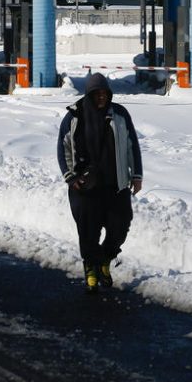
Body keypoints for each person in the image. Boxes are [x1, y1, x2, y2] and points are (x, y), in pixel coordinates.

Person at [57, 73, 143, 293]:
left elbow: (132, 144)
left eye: (105, 93)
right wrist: (70, 176)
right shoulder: (75, 116)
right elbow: (63, 147)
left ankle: (105, 259)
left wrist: (136, 175)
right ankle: (91, 269)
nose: (102, 98)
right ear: (89, 95)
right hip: (85, 187)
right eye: (97, 94)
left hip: (116, 184)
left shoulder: (119, 114)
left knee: (120, 227)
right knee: (88, 231)